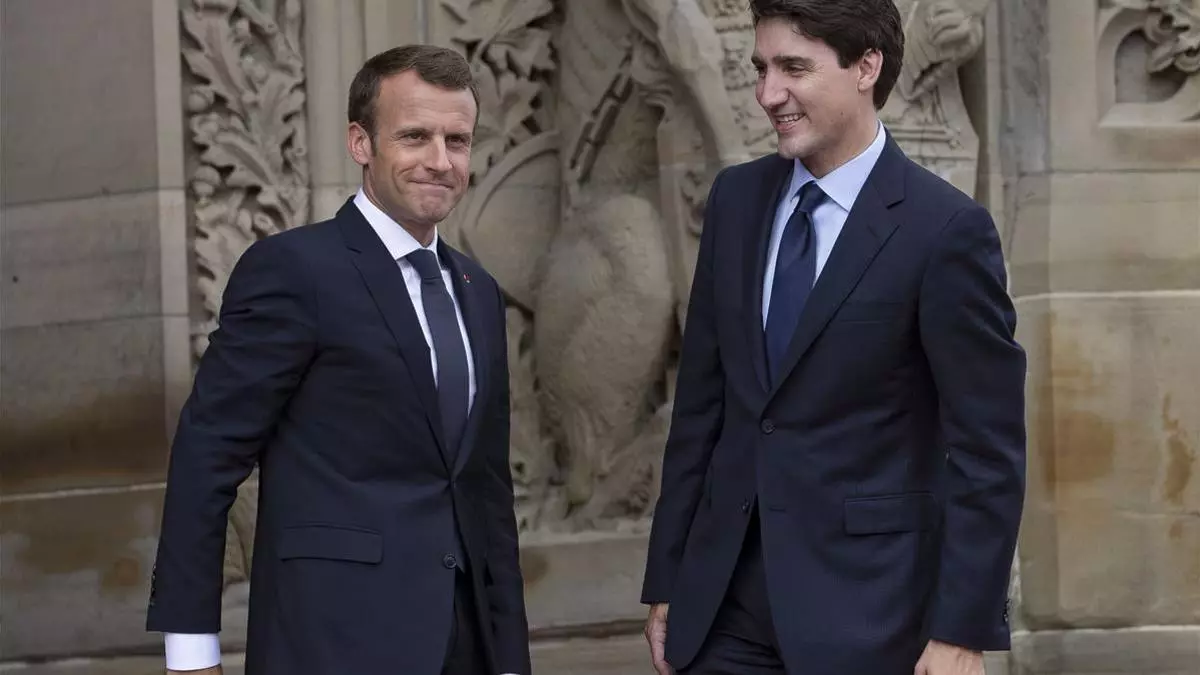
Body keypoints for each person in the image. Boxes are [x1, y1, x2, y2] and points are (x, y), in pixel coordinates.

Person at [640, 1, 1026, 674]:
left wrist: (961, 629)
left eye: (794, 68)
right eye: (761, 68)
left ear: (866, 67)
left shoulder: (945, 230)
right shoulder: (734, 201)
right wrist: (668, 577)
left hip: (873, 616)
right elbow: (700, 408)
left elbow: (987, 452)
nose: (768, 94)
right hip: (723, 612)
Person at [145, 45, 531, 675]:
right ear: (360, 143)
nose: (440, 161)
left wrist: (510, 657)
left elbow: (487, 493)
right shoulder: (295, 270)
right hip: (332, 643)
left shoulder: (477, 289)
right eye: (414, 136)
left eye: (457, 140)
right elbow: (206, 455)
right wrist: (190, 651)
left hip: (467, 647)